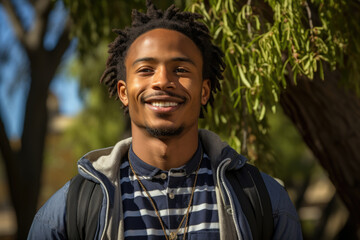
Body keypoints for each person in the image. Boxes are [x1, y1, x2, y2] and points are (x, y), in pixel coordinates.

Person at [28, 1, 302, 239]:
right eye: (146, 70)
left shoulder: (267, 202)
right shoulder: (67, 212)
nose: (162, 81)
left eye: (180, 69)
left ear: (204, 91)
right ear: (123, 92)